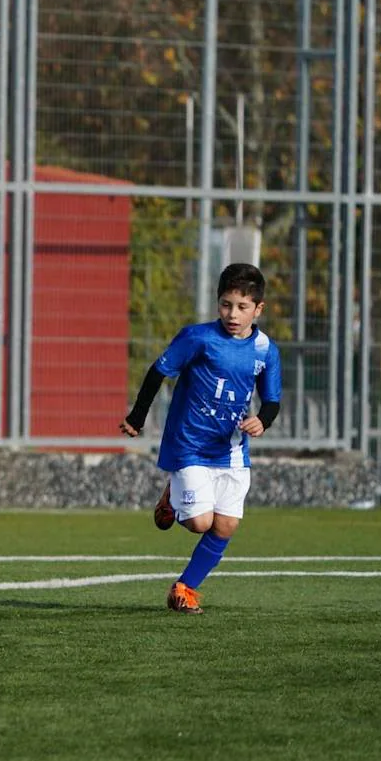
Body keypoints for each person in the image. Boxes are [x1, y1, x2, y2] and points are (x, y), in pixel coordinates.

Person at [120, 263, 282, 614]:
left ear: (259, 308)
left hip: (232, 451)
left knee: (226, 526)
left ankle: (184, 589)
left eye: (241, 307)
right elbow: (158, 372)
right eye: (226, 304)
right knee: (200, 523)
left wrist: (262, 422)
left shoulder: (266, 349)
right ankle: (173, 500)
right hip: (189, 443)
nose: (232, 314)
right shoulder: (198, 337)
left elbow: (271, 400)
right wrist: (138, 416)